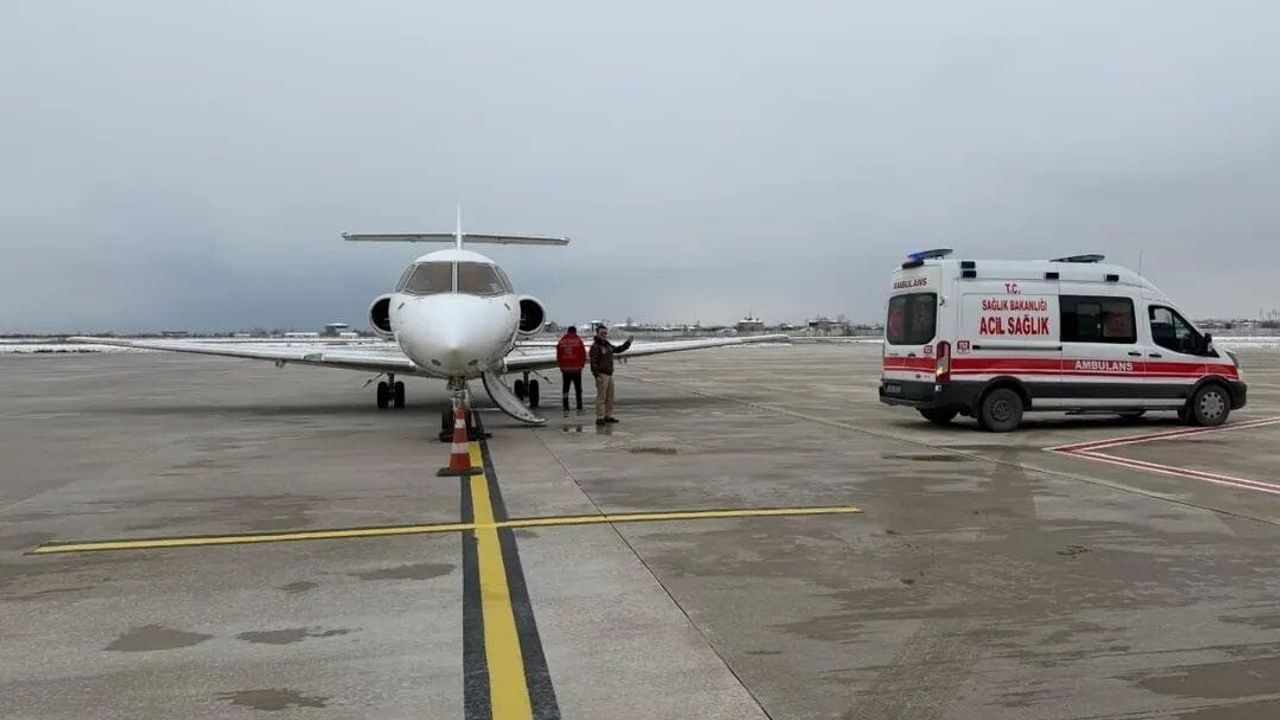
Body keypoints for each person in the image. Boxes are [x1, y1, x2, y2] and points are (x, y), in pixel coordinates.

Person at [589, 325, 633, 425]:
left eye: (605, 333)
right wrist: (596, 375)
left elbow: (617, 349)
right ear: (597, 333)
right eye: (602, 333)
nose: (604, 335)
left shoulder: (607, 344)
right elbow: (593, 362)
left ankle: (607, 416)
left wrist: (627, 343)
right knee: (601, 397)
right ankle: (600, 417)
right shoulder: (595, 346)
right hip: (602, 374)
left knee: (610, 397)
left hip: (609, 374)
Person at [555, 326, 587, 413]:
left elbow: (558, 354)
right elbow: (583, 354)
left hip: (565, 370)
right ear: (575, 331)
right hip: (577, 370)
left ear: (568, 331)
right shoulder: (578, 341)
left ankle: (566, 408)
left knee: (565, 389)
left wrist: (561, 366)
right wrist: (581, 365)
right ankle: (579, 407)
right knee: (578, 389)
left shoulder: (562, 341)